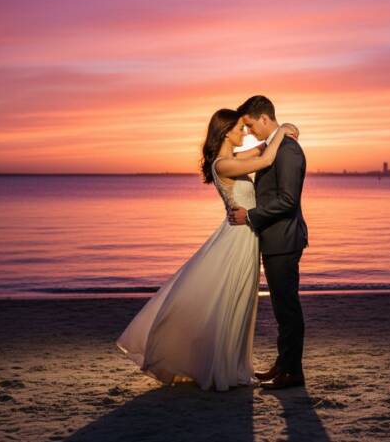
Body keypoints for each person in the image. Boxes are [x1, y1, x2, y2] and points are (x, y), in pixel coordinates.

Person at [116, 107, 298, 391]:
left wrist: (280, 130)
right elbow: (265, 159)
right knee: (230, 299)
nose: (245, 133)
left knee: (240, 302)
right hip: (237, 240)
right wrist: (283, 130)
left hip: (247, 237)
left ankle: (233, 364)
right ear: (226, 133)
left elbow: (263, 148)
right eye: (240, 129)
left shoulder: (233, 158)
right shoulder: (222, 165)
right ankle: (221, 367)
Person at [228, 95, 308, 390]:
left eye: (250, 126)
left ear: (264, 118)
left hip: (284, 239)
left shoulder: (288, 150)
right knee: (281, 307)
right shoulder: (275, 146)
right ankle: (284, 363)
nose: (249, 132)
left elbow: (287, 200)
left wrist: (249, 216)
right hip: (275, 239)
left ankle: (293, 372)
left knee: (287, 308)